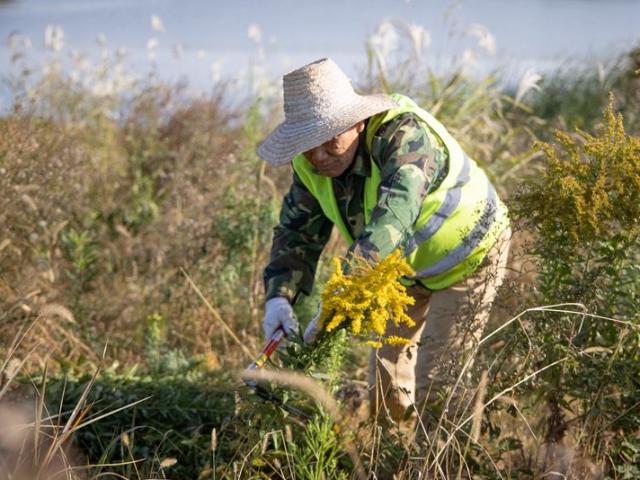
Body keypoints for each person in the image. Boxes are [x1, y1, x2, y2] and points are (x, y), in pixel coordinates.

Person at [256, 57, 511, 434]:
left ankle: (443, 469)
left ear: (356, 121)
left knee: (438, 390)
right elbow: (298, 234)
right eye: (308, 144)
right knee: (387, 391)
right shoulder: (310, 165)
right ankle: (394, 464)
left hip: (468, 258)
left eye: (330, 139)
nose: (320, 155)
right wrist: (280, 297)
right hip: (399, 272)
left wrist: (340, 299)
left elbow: (394, 217)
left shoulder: (406, 137)